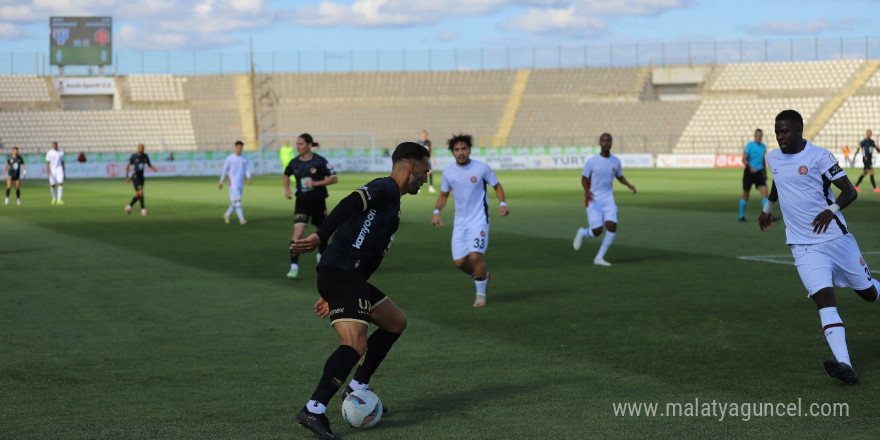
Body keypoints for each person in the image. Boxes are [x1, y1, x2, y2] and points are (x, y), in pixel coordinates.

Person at [290, 142, 431, 440]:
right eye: (425, 171)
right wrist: (320, 235)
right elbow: (350, 203)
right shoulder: (386, 188)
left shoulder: (393, 198)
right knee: (355, 344)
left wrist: (333, 293)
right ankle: (313, 409)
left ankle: (357, 388)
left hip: (346, 277)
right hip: (341, 273)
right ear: (412, 167)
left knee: (395, 322)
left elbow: (358, 240)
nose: (426, 178)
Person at [759, 109, 880, 385]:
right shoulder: (773, 157)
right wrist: (767, 208)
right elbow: (779, 178)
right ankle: (845, 365)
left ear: (800, 131)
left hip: (836, 240)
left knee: (869, 294)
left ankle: (872, 288)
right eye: (777, 131)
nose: (780, 137)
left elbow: (850, 190)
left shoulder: (819, 156)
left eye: (785, 131)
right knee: (824, 300)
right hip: (803, 246)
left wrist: (832, 210)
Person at [431, 134, 508, 307]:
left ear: (469, 150)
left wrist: (503, 203)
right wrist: (436, 211)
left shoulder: (481, 168)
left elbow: (497, 185)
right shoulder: (449, 172)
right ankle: (483, 277)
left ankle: (480, 294)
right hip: (460, 223)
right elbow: (444, 195)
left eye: (464, 149)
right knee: (460, 262)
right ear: (452, 152)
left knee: (475, 256)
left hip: (479, 220)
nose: (461, 152)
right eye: (457, 150)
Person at [572, 133, 636, 266]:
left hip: (608, 198)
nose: (606, 143)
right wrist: (587, 191)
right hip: (594, 198)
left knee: (612, 226)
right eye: (604, 141)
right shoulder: (592, 161)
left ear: (612, 143)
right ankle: (583, 233)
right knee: (597, 231)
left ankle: (599, 258)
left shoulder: (615, 161)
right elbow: (584, 178)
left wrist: (629, 185)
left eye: (609, 141)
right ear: (600, 143)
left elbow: (619, 176)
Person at [283, 134, 338, 278]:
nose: (298, 146)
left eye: (300, 144)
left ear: (309, 145)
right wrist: (287, 190)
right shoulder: (294, 162)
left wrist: (316, 183)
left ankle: (321, 255)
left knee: (322, 233)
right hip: (301, 202)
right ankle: (294, 266)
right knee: (298, 233)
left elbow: (334, 178)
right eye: (297, 144)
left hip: (318, 202)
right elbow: (286, 174)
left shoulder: (319, 161)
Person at [738, 128, 769, 222]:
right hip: (749, 172)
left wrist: (765, 172)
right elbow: (743, 159)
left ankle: (766, 216)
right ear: (754, 136)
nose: (759, 137)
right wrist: (750, 167)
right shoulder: (749, 146)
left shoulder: (763, 146)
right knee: (746, 195)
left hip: (759, 172)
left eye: (760, 136)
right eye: (757, 135)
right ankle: (741, 216)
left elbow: (763, 160)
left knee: (765, 193)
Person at [219, 140, 252, 225]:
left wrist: (249, 177)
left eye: (241, 147)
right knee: (238, 200)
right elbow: (225, 170)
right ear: (235, 148)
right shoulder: (230, 158)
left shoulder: (244, 158)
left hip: (241, 182)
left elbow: (247, 169)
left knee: (235, 201)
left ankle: (227, 214)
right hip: (232, 182)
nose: (239, 149)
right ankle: (242, 219)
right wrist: (221, 181)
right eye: (238, 147)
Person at [124, 143, 158, 216]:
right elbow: (127, 166)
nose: (140, 148)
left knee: (138, 194)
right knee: (141, 192)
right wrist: (127, 176)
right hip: (135, 176)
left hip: (141, 177)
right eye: (139, 147)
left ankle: (128, 206)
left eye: (142, 147)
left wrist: (153, 168)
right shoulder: (133, 156)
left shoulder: (145, 156)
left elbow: (149, 165)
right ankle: (143, 210)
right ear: (137, 148)